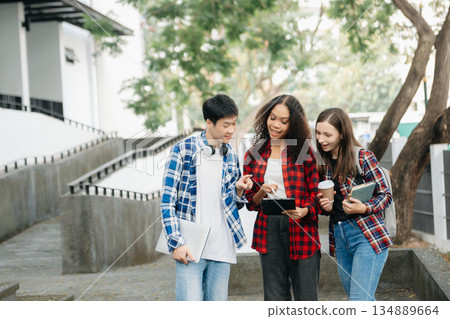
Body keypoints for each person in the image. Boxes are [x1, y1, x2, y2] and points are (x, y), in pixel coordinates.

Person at [160, 94, 253, 301]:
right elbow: (167, 201)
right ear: (209, 122)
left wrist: (238, 190)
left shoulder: (231, 156)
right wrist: (175, 242)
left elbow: (231, 206)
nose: (231, 130)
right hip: (190, 247)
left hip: (221, 247)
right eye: (226, 124)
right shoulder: (183, 150)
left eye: (234, 124)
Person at [243, 94, 321, 301]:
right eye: (272, 118)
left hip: (301, 227)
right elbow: (249, 202)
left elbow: (316, 195)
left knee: (307, 297)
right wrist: (261, 192)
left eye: (283, 121)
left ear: (293, 125)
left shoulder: (304, 152)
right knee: (275, 296)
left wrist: (305, 210)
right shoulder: (254, 154)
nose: (275, 125)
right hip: (267, 228)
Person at [315, 107, 393, 301]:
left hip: (366, 235)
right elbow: (331, 206)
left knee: (359, 301)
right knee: (361, 300)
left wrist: (364, 207)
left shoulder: (362, 157)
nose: (320, 139)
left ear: (342, 134)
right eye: (317, 133)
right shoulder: (323, 162)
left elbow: (385, 195)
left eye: (327, 134)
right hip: (340, 237)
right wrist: (325, 207)